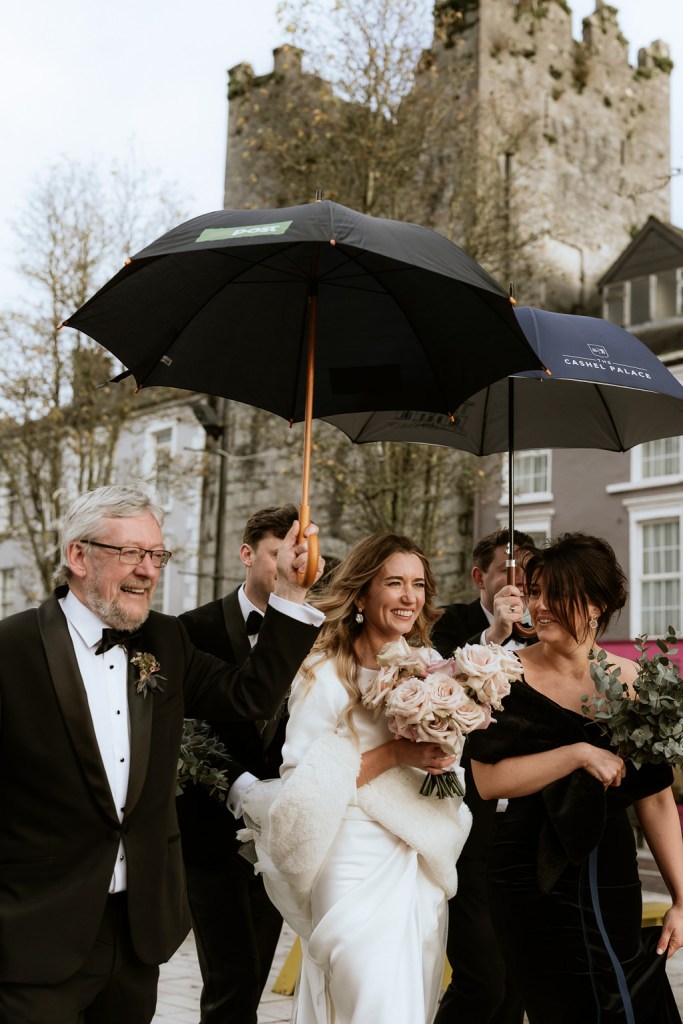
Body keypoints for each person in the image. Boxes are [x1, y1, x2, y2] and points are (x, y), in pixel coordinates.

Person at [0, 483, 324, 1024]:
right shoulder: (11, 650)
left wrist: (290, 595)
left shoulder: (165, 641)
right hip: (34, 930)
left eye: (156, 555)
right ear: (77, 556)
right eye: (130, 553)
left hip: (138, 931)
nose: (149, 571)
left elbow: (251, 695)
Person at [242, 533, 473, 1024]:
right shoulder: (322, 671)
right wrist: (394, 752)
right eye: (394, 583)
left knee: (410, 996)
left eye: (418, 584)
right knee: (370, 993)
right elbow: (303, 783)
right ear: (364, 594)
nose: (410, 597)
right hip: (346, 849)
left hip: (413, 852)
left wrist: (443, 745)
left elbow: (447, 773)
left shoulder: (434, 671)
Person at [469, 532, 683, 1023]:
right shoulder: (504, 676)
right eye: (537, 591)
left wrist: (681, 898)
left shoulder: (635, 683)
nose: (540, 605)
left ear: (597, 604)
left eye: (556, 594)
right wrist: (578, 754)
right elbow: (488, 781)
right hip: (526, 874)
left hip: (611, 870)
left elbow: (655, 799)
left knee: (626, 999)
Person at [177, 503, 301, 1024]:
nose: (289, 566)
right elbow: (182, 733)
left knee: (251, 979)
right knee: (232, 979)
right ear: (248, 555)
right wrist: (239, 788)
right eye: (278, 554)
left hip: (279, 840)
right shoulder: (190, 628)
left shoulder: (317, 634)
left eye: (298, 555)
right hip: (211, 834)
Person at [432, 528, 536, 1024]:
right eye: (508, 574)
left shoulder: (543, 635)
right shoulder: (448, 624)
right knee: (482, 980)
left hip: (525, 830)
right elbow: (434, 682)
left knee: (518, 979)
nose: (520, 585)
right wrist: (494, 635)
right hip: (464, 822)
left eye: (528, 576)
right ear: (480, 577)